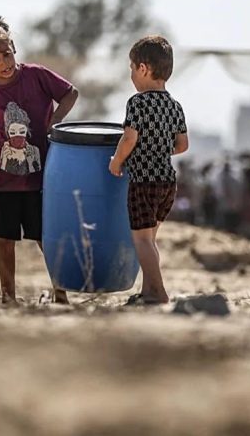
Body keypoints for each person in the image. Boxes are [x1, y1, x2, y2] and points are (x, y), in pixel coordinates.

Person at [0, 17, 79, 304]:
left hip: (41, 179)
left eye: (7, 54)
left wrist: (55, 121)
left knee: (45, 238)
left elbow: (70, 93)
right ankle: (8, 297)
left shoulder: (37, 76)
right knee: (5, 240)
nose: (4, 62)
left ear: (14, 47)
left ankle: (61, 294)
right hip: (4, 182)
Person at [109, 35, 189, 305]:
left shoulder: (137, 103)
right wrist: (160, 149)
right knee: (150, 239)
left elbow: (129, 138)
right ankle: (148, 290)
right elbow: (182, 145)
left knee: (141, 241)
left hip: (143, 180)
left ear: (143, 68)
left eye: (132, 68)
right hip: (167, 181)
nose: (131, 75)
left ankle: (158, 292)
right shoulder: (175, 106)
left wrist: (116, 161)